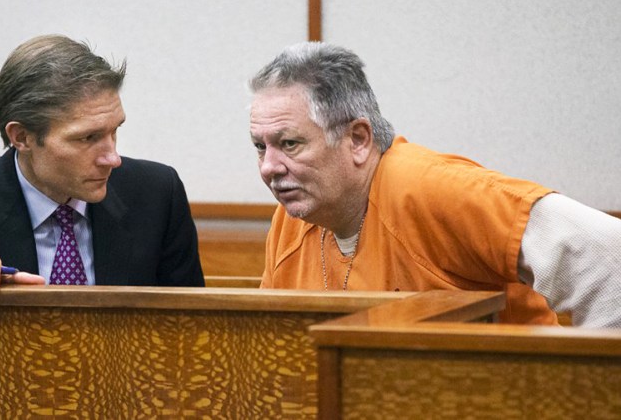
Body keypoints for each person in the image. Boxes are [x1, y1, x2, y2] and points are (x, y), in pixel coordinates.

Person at [249, 42, 621, 327]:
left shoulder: (428, 188)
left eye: (290, 144)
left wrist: (592, 390)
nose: (269, 167)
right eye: (260, 147)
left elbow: (609, 254)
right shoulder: (291, 221)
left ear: (358, 139)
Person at [0, 34, 204, 314]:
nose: (112, 158)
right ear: (22, 137)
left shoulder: (157, 193)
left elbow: (192, 326)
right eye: (87, 138)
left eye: (115, 131)